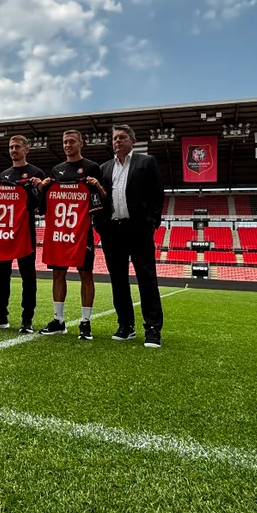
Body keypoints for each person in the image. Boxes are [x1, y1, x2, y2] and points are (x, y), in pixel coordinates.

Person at [98, 124, 165, 348]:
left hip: (139, 230)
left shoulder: (146, 162)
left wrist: (152, 222)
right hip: (112, 231)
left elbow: (158, 194)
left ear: (132, 141)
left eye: (122, 137)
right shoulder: (105, 168)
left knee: (146, 279)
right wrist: (101, 227)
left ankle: (153, 328)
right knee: (118, 281)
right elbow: (100, 200)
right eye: (115, 138)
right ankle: (126, 326)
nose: (117, 141)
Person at [38, 130, 105, 340]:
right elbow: (43, 205)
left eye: (72, 142)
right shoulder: (57, 170)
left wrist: (97, 187)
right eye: (65, 142)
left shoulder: (93, 167)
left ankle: (86, 322)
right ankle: (58, 320)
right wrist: (43, 188)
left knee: (86, 274)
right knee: (58, 274)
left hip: (81, 231)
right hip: (59, 231)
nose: (68, 145)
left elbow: (102, 199)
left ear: (81, 143)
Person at [0, 136, 44, 333]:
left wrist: (36, 189)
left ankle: (27, 319)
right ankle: (1, 315)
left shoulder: (36, 172)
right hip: (5, 233)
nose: (13, 150)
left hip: (25, 232)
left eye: (17, 147)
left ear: (26, 149)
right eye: (11, 147)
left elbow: (38, 205)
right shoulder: (5, 174)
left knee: (28, 276)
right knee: (2, 274)